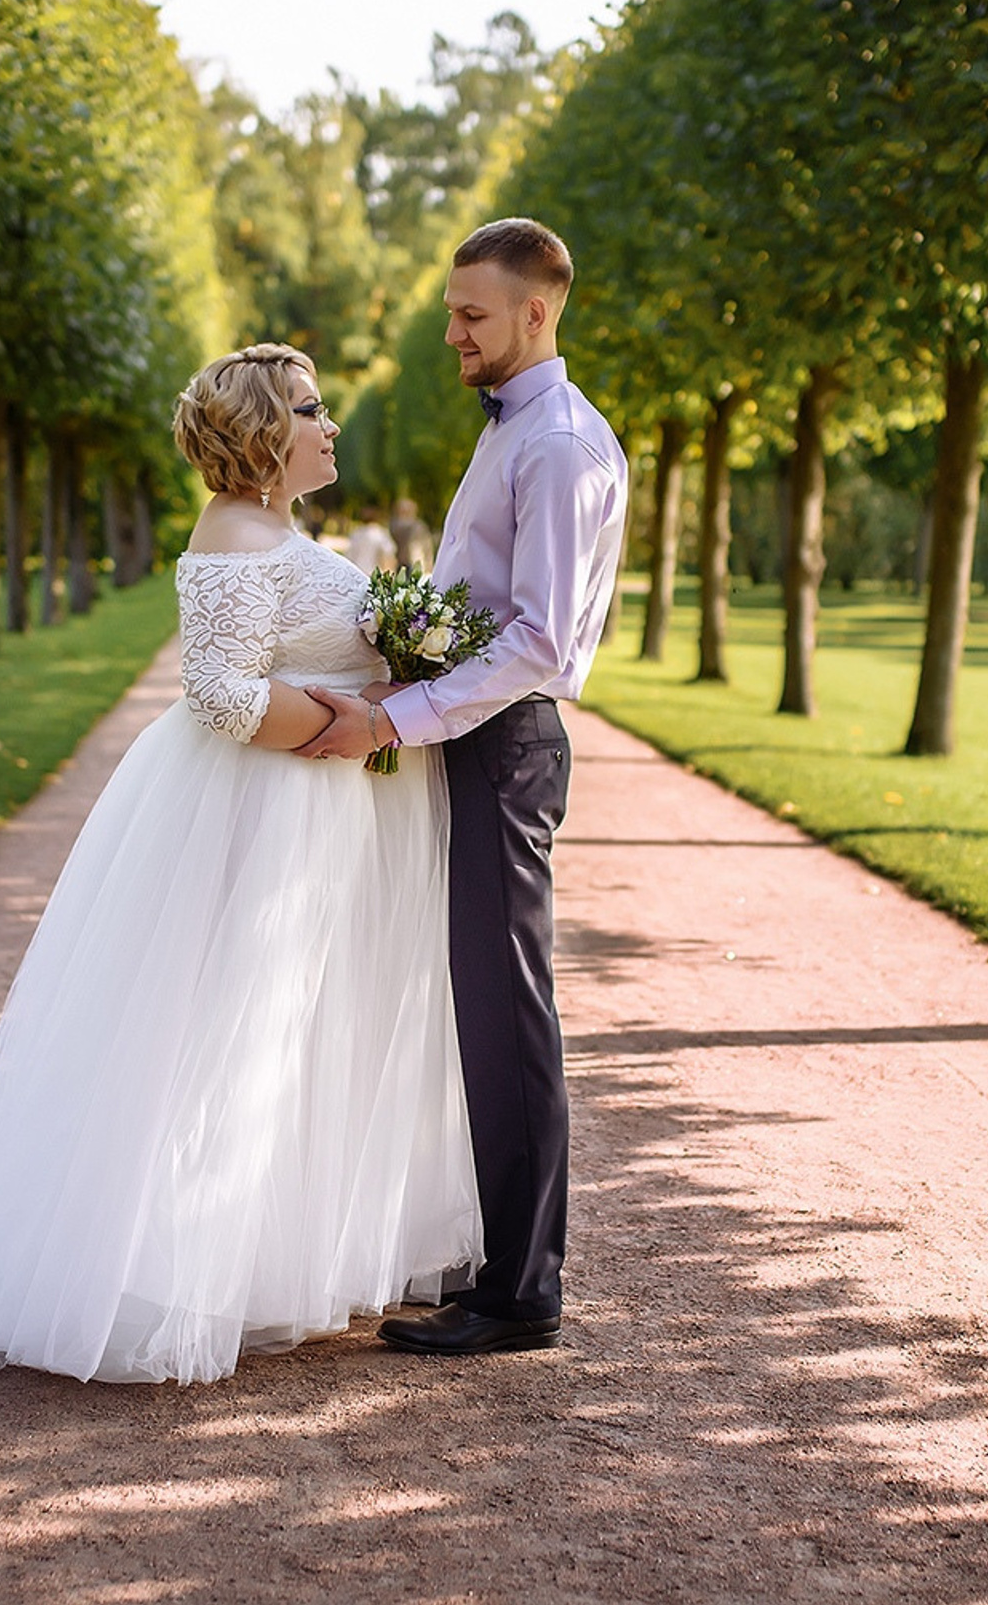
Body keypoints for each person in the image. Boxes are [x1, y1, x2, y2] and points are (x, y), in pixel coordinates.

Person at [0, 343, 480, 1385]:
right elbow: (221, 693)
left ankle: (266, 1253)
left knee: (296, 1032)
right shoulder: (233, 532)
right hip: (272, 806)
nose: (330, 428)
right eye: (313, 411)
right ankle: (170, 1269)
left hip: (317, 807)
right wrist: (358, 720)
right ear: (269, 433)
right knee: (228, 1027)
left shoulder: (272, 528)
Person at [299, 218, 628, 1356]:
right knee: (470, 1008)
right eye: (452, 313)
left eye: (472, 315)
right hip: (471, 735)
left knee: (507, 1009)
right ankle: (489, 1261)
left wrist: (393, 716)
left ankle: (525, 1291)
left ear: (538, 312)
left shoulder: (562, 447)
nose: (452, 333)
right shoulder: (512, 432)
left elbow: (537, 643)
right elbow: (473, 601)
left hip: (508, 747)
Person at [343, 506, 398, 575]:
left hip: (356, 572)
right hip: (373, 573)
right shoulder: (380, 534)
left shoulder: (356, 533)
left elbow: (349, 555)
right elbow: (389, 554)